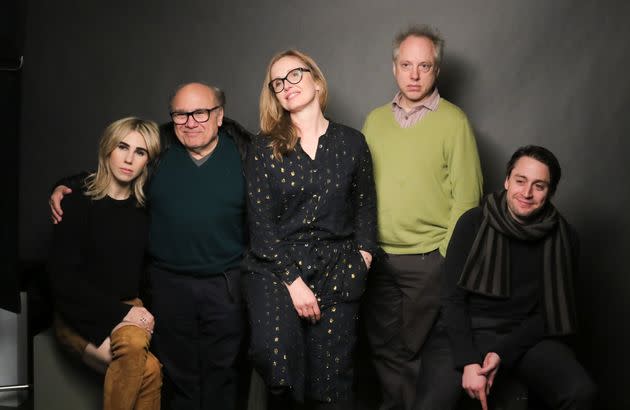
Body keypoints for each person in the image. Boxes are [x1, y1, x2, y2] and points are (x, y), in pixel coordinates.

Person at [49, 83, 253, 410]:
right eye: (180, 114)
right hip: (167, 284)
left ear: (219, 116)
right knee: (176, 376)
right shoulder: (160, 153)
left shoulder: (247, 153)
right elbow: (112, 175)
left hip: (226, 284)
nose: (190, 121)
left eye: (200, 112)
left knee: (224, 374)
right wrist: (64, 186)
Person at [242, 49, 378, 409]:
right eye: (278, 83)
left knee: (330, 386)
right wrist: (293, 281)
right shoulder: (263, 148)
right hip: (276, 266)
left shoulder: (352, 143)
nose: (287, 86)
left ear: (317, 81)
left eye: (295, 75)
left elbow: (365, 209)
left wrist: (363, 259)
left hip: (338, 268)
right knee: (277, 360)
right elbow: (260, 224)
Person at [413, 145, 597, 410]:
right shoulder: (473, 222)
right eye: (520, 181)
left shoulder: (565, 237)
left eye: (539, 186)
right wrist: (468, 361)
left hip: (527, 334)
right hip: (466, 328)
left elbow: (551, 314)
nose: (527, 193)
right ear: (507, 180)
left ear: (550, 192)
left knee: (581, 391)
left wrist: (503, 353)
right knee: (432, 404)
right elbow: (451, 298)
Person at [361, 25, 483, 410]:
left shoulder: (454, 122)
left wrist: (444, 258)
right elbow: (360, 191)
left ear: (436, 71)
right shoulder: (375, 121)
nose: (414, 75)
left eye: (424, 66)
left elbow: (468, 200)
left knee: (414, 349)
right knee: (384, 351)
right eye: (406, 64)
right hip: (377, 259)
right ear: (394, 67)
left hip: (428, 259)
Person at [48, 117, 162, 410]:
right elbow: (62, 283)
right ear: (107, 149)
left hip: (125, 308)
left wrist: (131, 311)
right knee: (141, 355)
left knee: (150, 370)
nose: (128, 158)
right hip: (77, 314)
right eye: (122, 147)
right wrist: (124, 313)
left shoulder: (144, 211)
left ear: (147, 161)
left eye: (140, 152)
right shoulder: (76, 203)